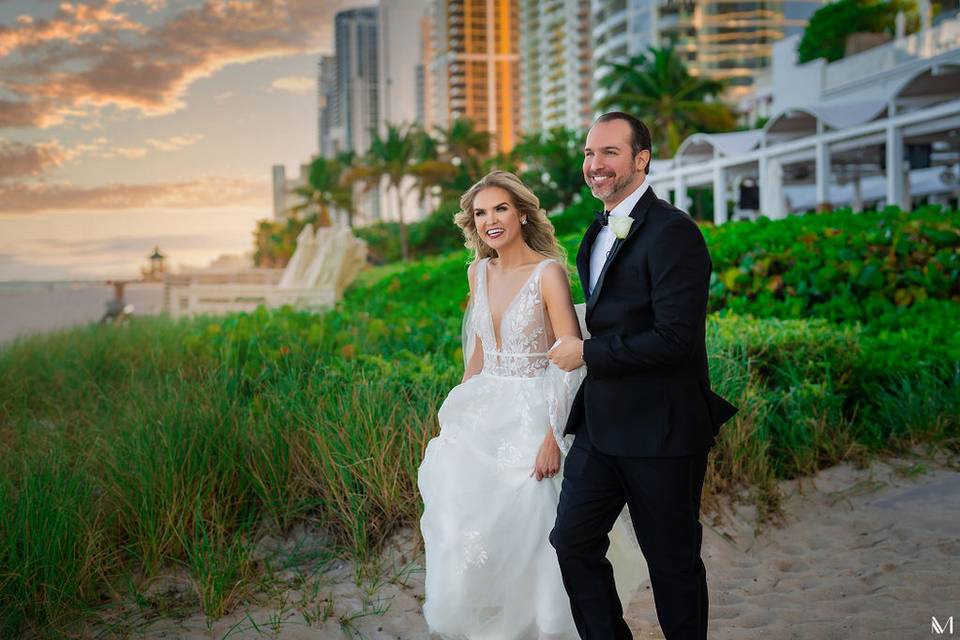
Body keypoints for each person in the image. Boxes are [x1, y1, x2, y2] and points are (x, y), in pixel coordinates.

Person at [418, 170, 647, 639]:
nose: (490, 220)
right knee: (471, 524)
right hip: (485, 412)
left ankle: (549, 627)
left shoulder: (548, 273)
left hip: (535, 410)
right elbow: (479, 353)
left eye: (500, 208)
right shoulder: (476, 271)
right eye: (480, 213)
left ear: (522, 213)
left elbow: (570, 356)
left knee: (539, 525)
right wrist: (458, 416)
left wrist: (553, 437)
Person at [547, 112, 739, 640]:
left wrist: (588, 352)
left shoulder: (675, 232)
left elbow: (676, 341)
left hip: (662, 429)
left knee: (672, 562)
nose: (595, 165)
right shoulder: (595, 232)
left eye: (609, 153)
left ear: (640, 159)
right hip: (601, 427)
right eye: (589, 153)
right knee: (572, 542)